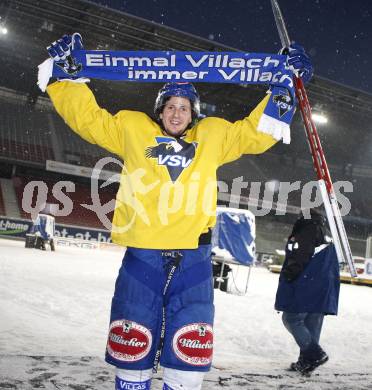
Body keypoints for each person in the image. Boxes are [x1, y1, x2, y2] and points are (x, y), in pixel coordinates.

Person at [42, 33, 313, 390]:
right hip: (143, 254)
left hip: (194, 257)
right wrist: (67, 78)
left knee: (191, 341)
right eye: (170, 105)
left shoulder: (214, 136)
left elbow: (254, 133)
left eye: (184, 107)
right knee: (132, 333)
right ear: (160, 110)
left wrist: (284, 87)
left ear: (194, 113)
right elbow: (90, 120)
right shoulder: (132, 129)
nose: (176, 112)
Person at [274, 208, 340, 376]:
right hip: (323, 284)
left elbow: (301, 255)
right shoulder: (323, 230)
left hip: (309, 282)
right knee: (312, 321)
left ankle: (314, 354)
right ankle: (307, 362)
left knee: (291, 318)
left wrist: (290, 274)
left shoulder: (308, 228)